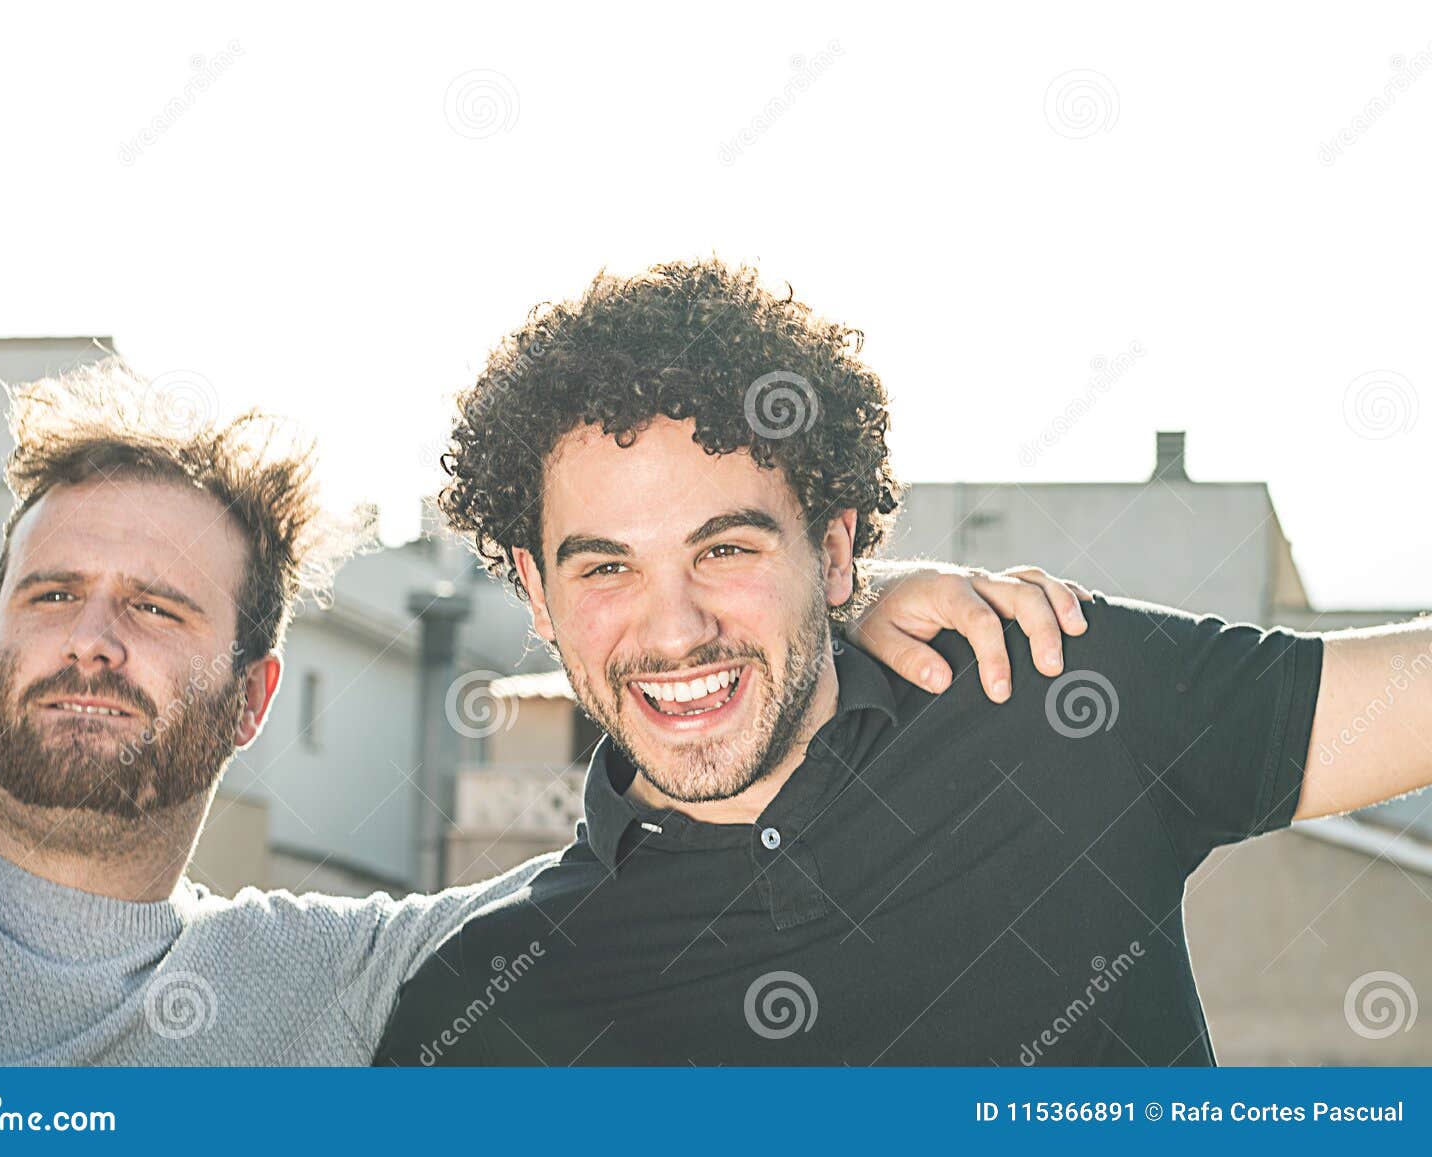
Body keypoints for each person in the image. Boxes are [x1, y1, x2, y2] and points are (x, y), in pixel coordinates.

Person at [0, 359, 1082, 1065]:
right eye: (51, 594)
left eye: (158, 610)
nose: (91, 639)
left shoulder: (335, 977)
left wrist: (828, 615)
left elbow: (670, 834)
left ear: (254, 699)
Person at [375, 257, 1432, 1066]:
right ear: (534, 590)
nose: (674, 627)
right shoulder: (481, 1015)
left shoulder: (1049, 690)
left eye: (726, 549)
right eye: (606, 567)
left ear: (832, 549)